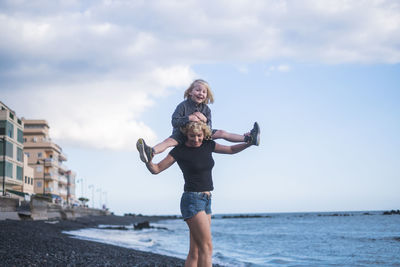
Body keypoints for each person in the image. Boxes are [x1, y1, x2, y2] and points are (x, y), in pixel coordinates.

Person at [143, 121, 254, 267]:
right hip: (192, 200)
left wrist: (249, 143)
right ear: (186, 135)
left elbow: (231, 149)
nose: (196, 139)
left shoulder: (208, 145)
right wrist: (148, 161)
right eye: (192, 136)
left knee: (195, 250)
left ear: (204, 134)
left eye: (199, 135)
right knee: (207, 248)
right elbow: (156, 169)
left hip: (206, 199)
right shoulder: (179, 151)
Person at [136, 79, 260, 163]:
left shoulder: (206, 109)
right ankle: (151, 151)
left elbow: (209, 127)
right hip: (181, 134)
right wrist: (188, 118)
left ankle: (248, 138)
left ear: (207, 95)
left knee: (222, 132)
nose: (201, 93)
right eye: (198, 90)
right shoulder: (183, 106)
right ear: (190, 92)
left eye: (204, 92)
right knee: (168, 142)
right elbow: (174, 122)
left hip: (201, 134)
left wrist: (205, 119)